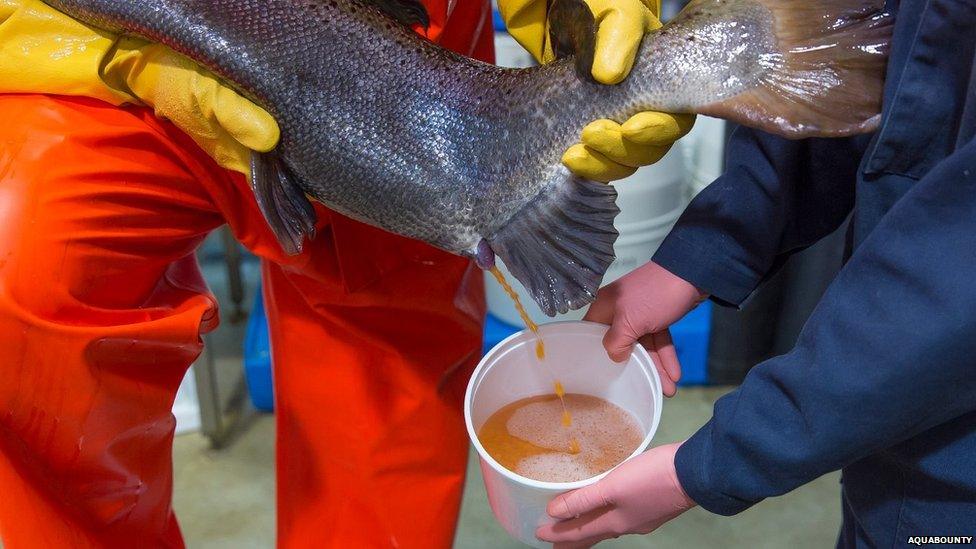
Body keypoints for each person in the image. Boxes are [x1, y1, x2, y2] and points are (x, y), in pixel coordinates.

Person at [0, 0, 690, 546]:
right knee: (24, 283)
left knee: (382, 386)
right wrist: (112, 53)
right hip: (94, 57)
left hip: (388, 79)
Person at [536, 0, 976, 546]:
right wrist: (698, 256)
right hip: (892, 446)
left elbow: (951, 294)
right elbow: (890, 69)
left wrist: (711, 464)